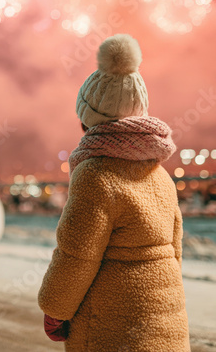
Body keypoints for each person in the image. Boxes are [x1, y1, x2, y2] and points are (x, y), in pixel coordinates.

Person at [38, 34, 190, 351]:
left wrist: (55, 308)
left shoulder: (95, 174)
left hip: (114, 324)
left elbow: (77, 254)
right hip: (167, 316)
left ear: (88, 118)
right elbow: (175, 250)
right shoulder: (160, 174)